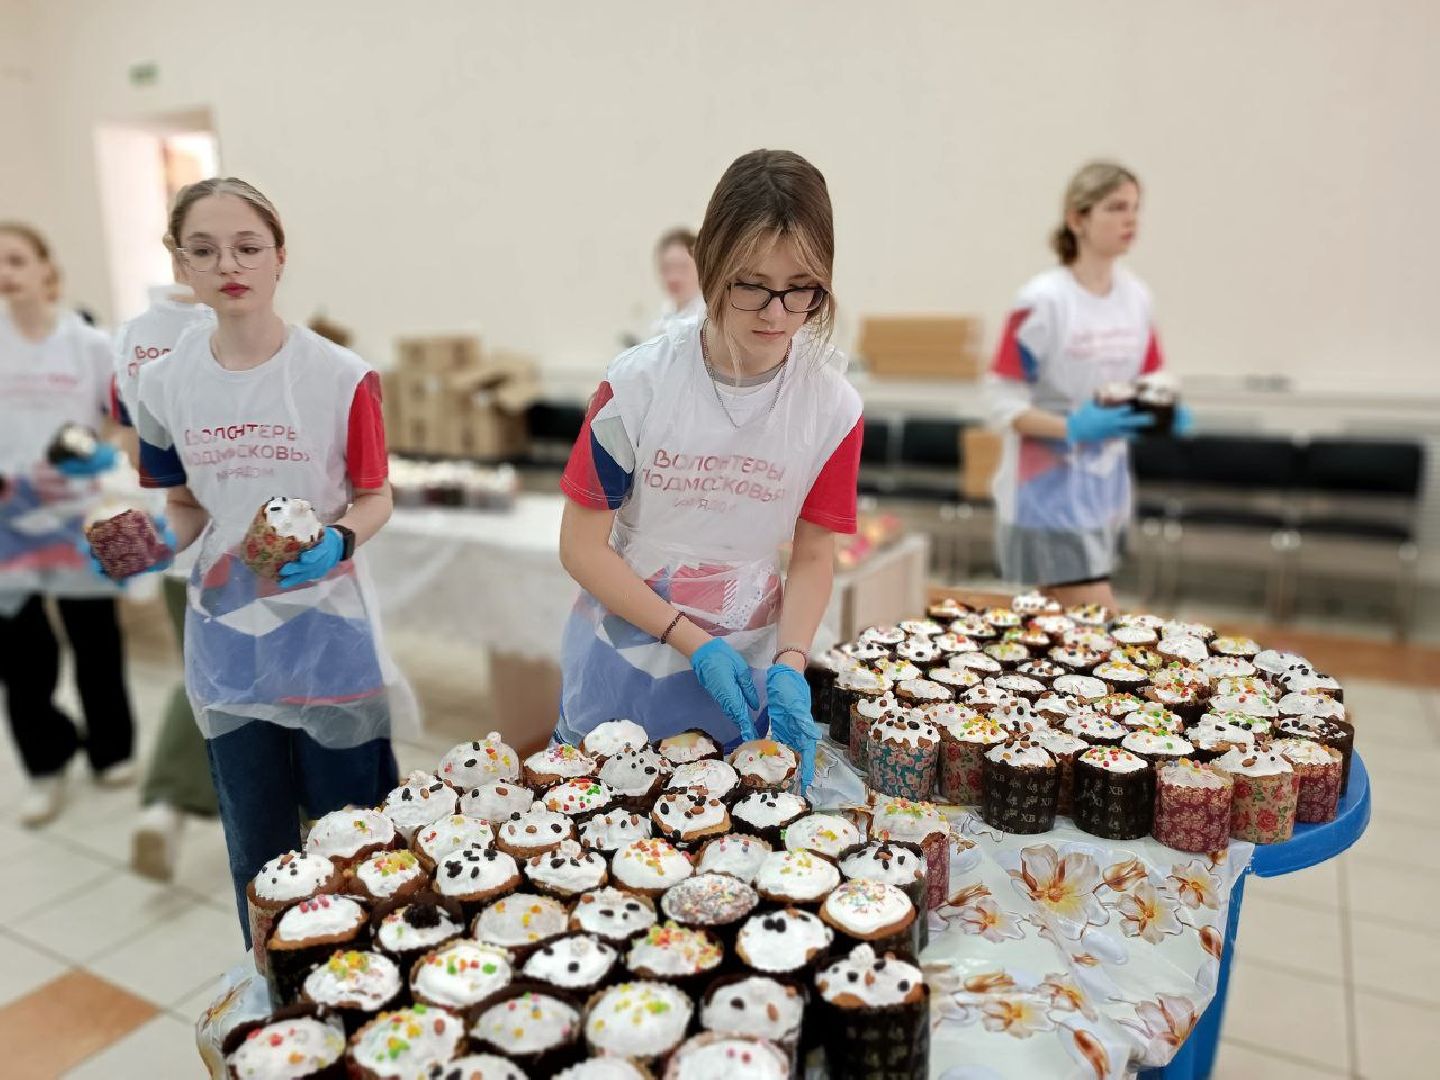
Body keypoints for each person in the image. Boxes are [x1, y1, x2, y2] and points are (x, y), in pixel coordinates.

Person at [129, 178, 405, 943]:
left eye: (248, 247)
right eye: (205, 249)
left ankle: (370, 980)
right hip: (228, 637)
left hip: (327, 633)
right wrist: (152, 543)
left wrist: (338, 540)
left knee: (356, 839)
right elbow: (184, 505)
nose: (229, 265)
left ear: (280, 256)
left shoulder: (341, 376)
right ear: (180, 263)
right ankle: (277, 985)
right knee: (259, 846)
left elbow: (375, 496)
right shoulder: (162, 384)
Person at [556, 149, 864, 789]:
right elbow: (582, 547)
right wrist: (692, 640)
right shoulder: (636, 387)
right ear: (710, 266)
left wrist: (790, 661)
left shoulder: (832, 407)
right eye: (751, 285)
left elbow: (813, 555)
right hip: (627, 655)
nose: (776, 313)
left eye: (801, 287)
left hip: (748, 663)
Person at [985, 160, 1186, 609]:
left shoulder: (1137, 297)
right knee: (1099, 621)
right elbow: (1002, 401)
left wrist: (1162, 405)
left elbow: (1151, 374)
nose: (1130, 219)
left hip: (1105, 486)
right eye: (1115, 207)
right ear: (1077, 218)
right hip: (1045, 490)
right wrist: (1073, 427)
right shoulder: (1041, 302)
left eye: (1134, 207)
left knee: (1055, 623)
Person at [0, 222, 137, 826]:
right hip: (9, 517)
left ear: (46, 268)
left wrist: (97, 454)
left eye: (16, 259)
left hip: (80, 514)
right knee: (20, 652)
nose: (6, 273)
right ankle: (46, 762)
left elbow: (122, 419)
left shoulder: (89, 344)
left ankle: (112, 750)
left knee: (96, 639)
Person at [109, 235, 219, 881]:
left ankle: (168, 807)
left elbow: (132, 448)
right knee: (239, 678)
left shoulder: (130, 338)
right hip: (222, 538)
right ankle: (174, 804)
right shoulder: (228, 329)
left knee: (203, 673)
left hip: (181, 536)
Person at [650, 226, 704, 335]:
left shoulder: (709, 318)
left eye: (682, 267)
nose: (673, 277)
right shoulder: (662, 315)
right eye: (667, 268)